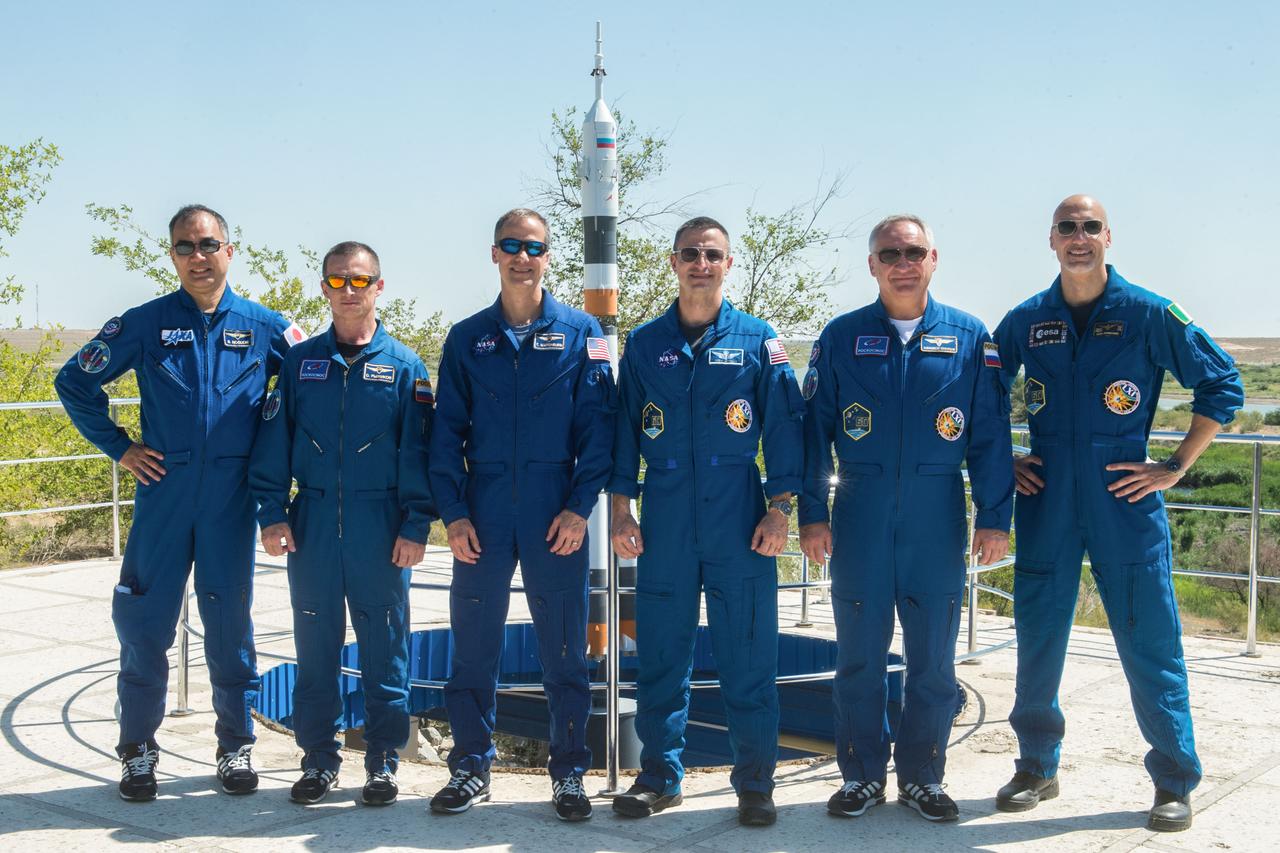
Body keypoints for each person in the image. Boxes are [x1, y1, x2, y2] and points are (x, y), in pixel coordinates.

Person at [991, 195, 1244, 832]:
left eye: (1090, 228)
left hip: (1124, 501)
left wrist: (1177, 464)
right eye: (1067, 228)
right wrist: (1005, 461)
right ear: (1051, 239)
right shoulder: (1026, 320)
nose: (1079, 238)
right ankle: (1035, 765)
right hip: (1046, 499)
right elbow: (978, 393)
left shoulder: (1150, 312)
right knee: (1039, 639)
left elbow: (1222, 384)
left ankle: (1174, 777)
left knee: (1150, 641)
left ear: (1110, 237)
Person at [54, 204, 302, 801]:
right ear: (172, 255)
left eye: (209, 244)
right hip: (163, 499)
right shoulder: (144, 323)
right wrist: (120, 447)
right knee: (144, 625)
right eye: (186, 246)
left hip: (230, 504)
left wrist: (285, 489)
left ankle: (234, 746)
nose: (198, 256)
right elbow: (74, 382)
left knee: (229, 629)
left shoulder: (269, 328)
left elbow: (309, 391)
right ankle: (138, 751)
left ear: (229, 251)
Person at [798, 214, 1014, 823]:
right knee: (859, 659)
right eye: (889, 252)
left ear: (933, 259)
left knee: (934, 664)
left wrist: (995, 516)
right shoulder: (841, 337)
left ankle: (923, 777)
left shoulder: (970, 338)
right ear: (872, 264)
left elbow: (991, 438)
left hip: (937, 514)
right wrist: (813, 515)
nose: (902, 262)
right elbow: (814, 434)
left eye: (913, 251)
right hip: (861, 513)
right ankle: (862, 777)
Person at [608, 216, 804, 827]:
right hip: (665, 518)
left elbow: (785, 429)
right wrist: (620, 507)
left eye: (712, 255)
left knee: (748, 658)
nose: (701, 263)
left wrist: (780, 509)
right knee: (663, 657)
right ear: (673, 262)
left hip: (739, 520)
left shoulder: (757, 339)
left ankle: (754, 783)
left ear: (727, 264)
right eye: (690, 253)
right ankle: (660, 777)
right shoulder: (643, 344)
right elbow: (622, 431)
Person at [428, 209, 615, 821]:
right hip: (482, 513)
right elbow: (445, 434)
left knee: (563, 652)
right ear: (494, 254)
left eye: (533, 246)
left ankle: (568, 774)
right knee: (473, 649)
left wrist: (580, 508)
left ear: (546, 256)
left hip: (553, 514)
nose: (521, 256)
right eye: (511, 245)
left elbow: (599, 430)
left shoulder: (583, 330)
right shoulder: (466, 337)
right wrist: (454, 515)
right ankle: (470, 768)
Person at [249, 241, 433, 806]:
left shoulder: (405, 367)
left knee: (385, 647)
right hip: (313, 521)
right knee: (315, 647)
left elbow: (421, 453)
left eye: (359, 281)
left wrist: (417, 525)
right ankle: (318, 762)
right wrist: (272, 512)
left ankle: (382, 761)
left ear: (379, 287)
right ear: (324, 288)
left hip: (382, 525)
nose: (348, 291)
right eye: (337, 281)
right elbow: (274, 443)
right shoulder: (301, 367)